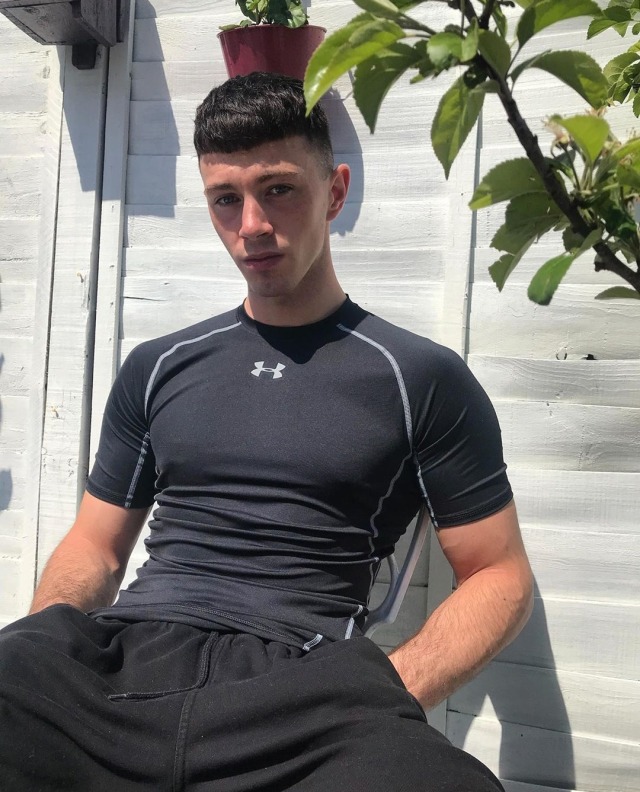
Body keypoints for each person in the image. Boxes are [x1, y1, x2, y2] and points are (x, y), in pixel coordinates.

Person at [0, 72, 533, 791]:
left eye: (278, 189)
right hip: (130, 660)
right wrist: (49, 656)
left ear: (335, 192)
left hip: (302, 681)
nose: (251, 224)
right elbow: (95, 546)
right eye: (226, 199)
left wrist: (384, 689)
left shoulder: (420, 377)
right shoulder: (158, 367)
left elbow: (500, 573)